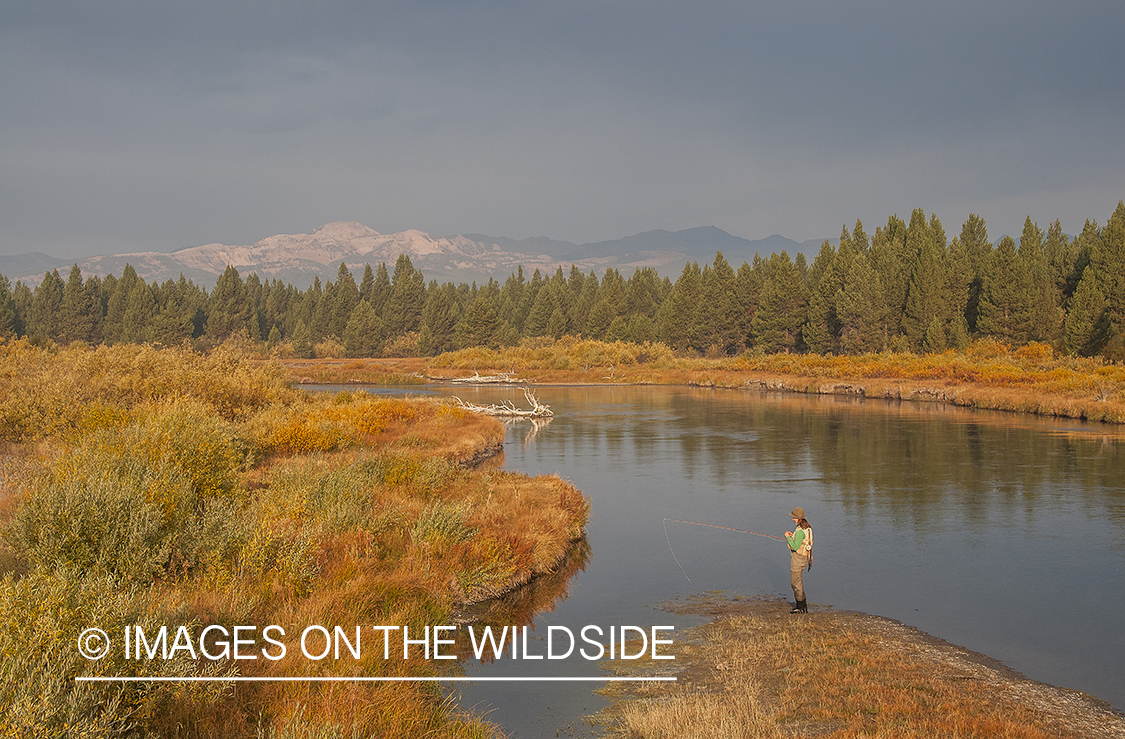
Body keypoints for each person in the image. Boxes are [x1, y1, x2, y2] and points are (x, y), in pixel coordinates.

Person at [784, 507, 813, 614]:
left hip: (798, 559)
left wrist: (788, 537)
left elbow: (795, 547)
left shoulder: (800, 531)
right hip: (803, 558)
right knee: (797, 582)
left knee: (795, 583)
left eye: (794, 518)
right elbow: (800, 542)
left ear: (799, 518)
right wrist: (792, 536)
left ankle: (801, 607)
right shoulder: (806, 528)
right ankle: (802, 606)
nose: (792, 519)